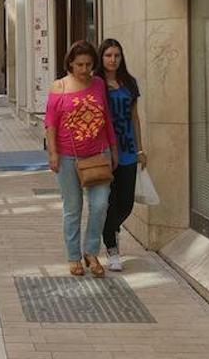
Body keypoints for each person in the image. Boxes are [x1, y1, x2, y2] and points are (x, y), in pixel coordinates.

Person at [45, 40, 118, 278]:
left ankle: (91, 251)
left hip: (99, 154)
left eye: (88, 64)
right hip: (68, 157)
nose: (84, 69)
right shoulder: (60, 87)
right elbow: (51, 124)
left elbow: (106, 117)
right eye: (79, 65)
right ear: (70, 64)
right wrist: (53, 153)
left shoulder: (98, 84)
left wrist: (113, 149)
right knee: (73, 208)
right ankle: (73, 257)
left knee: (99, 206)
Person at [95, 39, 145, 272]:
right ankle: (112, 249)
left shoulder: (129, 82)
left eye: (116, 55)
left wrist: (140, 148)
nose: (113, 59)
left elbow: (135, 118)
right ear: (101, 58)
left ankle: (110, 228)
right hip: (105, 149)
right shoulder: (96, 84)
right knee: (108, 201)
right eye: (108, 55)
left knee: (125, 203)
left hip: (127, 148)